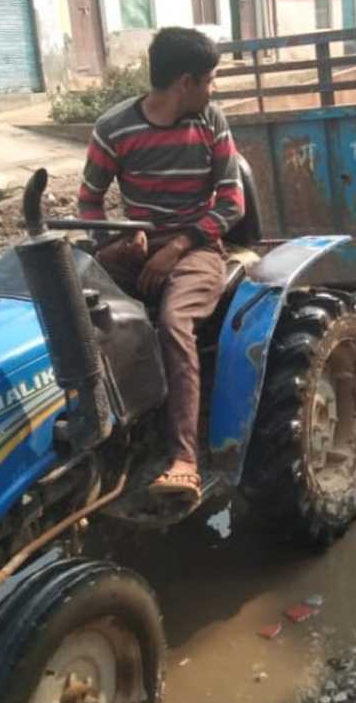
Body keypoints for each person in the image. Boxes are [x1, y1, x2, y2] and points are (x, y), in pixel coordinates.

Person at [77, 27, 244, 504]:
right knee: (75, 308)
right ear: (184, 82)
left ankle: (185, 459)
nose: (213, 89)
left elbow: (231, 202)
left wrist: (179, 245)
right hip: (137, 246)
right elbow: (88, 203)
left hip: (196, 248)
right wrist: (115, 239)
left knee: (173, 323)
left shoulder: (211, 121)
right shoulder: (114, 128)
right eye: (210, 79)